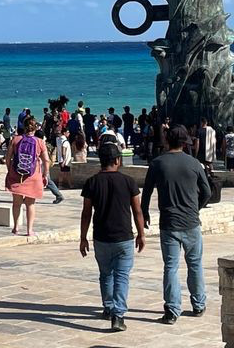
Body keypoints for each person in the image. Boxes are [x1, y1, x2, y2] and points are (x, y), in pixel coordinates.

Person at [140, 125, 211, 324]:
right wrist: (196, 208)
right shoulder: (194, 163)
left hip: (169, 223)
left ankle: (172, 310)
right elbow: (207, 192)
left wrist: (145, 213)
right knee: (195, 264)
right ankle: (198, 304)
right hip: (191, 222)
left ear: (167, 140)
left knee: (171, 266)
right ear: (185, 143)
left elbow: (146, 192)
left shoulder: (157, 163)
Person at [80, 142, 146, 333]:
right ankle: (118, 315)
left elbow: (86, 213)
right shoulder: (128, 182)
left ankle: (109, 307)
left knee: (106, 274)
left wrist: (83, 238)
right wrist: (141, 234)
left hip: (101, 237)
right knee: (121, 276)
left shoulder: (92, 182)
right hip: (124, 237)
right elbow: (137, 211)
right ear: (117, 160)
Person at [6, 119, 48, 237]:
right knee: (30, 204)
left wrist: (10, 170)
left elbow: (8, 158)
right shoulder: (40, 142)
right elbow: (46, 160)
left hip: (17, 175)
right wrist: (45, 174)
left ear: (24, 127)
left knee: (16, 203)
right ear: (36, 128)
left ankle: (16, 227)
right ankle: (29, 230)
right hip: (33, 176)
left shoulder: (15, 139)